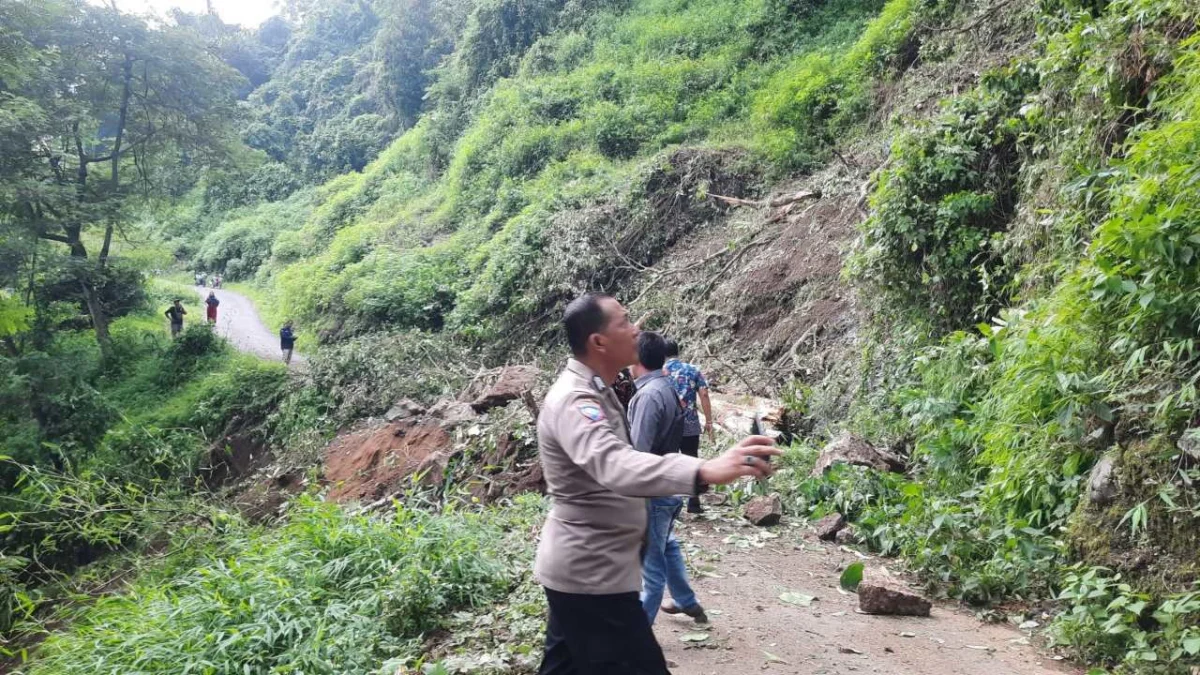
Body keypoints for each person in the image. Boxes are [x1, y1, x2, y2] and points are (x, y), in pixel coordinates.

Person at [534, 292, 779, 675]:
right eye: (625, 322)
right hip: (592, 576)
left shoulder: (599, 389)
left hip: (588, 572)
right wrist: (703, 470)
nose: (637, 330)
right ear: (598, 341)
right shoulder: (574, 399)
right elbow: (616, 465)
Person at [628, 331, 706, 626]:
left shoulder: (649, 396)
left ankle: (636, 634)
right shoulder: (665, 386)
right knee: (667, 545)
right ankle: (686, 601)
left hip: (653, 487)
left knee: (652, 562)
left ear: (636, 359)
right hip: (665, 485)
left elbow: (638, 452)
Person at [664, 339, 715, 515]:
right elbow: (704, 394)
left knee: (668, 460)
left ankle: (668, 502)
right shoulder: (693, 370)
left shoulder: (660, 372)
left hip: (668, 424)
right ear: (678, 352)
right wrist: (709, 421)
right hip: (690, 423)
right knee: (691, 459)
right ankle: (693, 502)